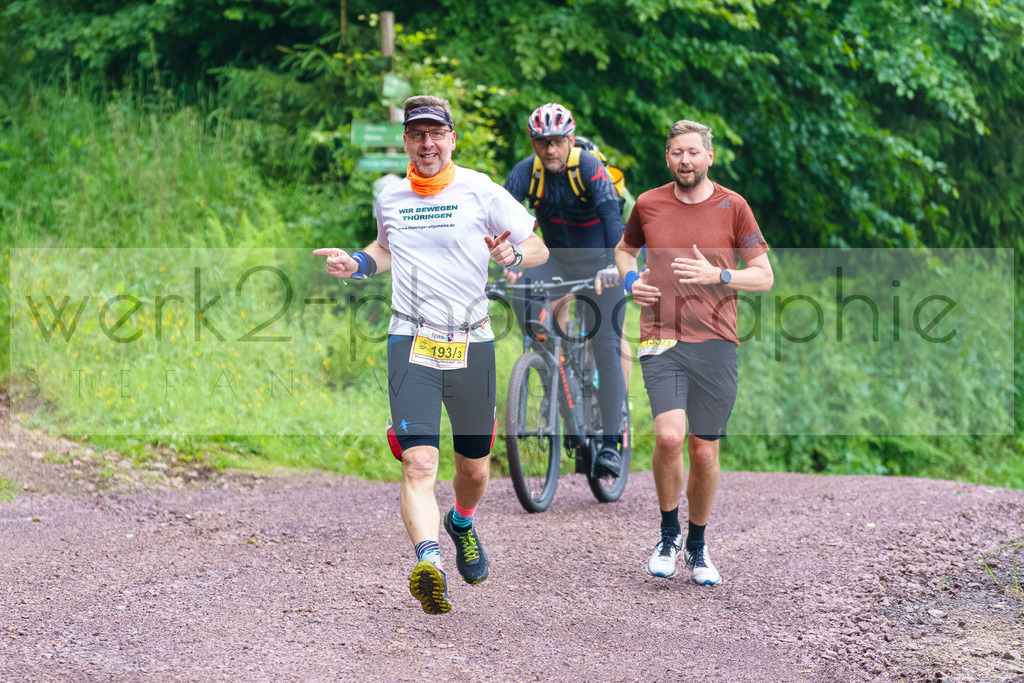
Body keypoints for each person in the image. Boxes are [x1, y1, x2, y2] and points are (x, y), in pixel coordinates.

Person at [314, 95, 548, 614]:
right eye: (417, 135)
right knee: (420, 462)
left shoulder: (480, 190)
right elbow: (384, 248)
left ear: (451, 139)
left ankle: (461, 521)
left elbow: (538, 246)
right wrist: (354, 261)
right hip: (411, 341)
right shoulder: (391, 196)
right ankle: (429, 562)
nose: (427, 144)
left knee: (476, 469)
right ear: (406, 142)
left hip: (472, 341)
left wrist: (513, 253)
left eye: (435, 134)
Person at [614, 120, 774, 585]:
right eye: (676, 152)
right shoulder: (648, 203)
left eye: (693, 152)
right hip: (661, 337)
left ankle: (698, 545)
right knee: (668, 437)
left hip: (717, 342)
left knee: (704, 452)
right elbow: (625, 252)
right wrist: (630, 281)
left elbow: (763, 276)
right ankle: (668, 535)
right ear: (668, 158)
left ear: (709, 156)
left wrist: (718, 276)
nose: (685, 160)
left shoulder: (733, 206)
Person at [503, 102, 628, 479]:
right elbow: (499, 219)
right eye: (542, 143)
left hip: (599, 263)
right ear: (534, 143)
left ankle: (611, 443)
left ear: (570, 140)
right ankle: (547, 368)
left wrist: (612, 264)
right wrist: (509, 260)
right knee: (523, 298)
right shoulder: (526, 172)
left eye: (557, 142)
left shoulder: (588, 167)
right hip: (554, 260)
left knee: (605, 345)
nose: (550, 149)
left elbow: (611, 218)